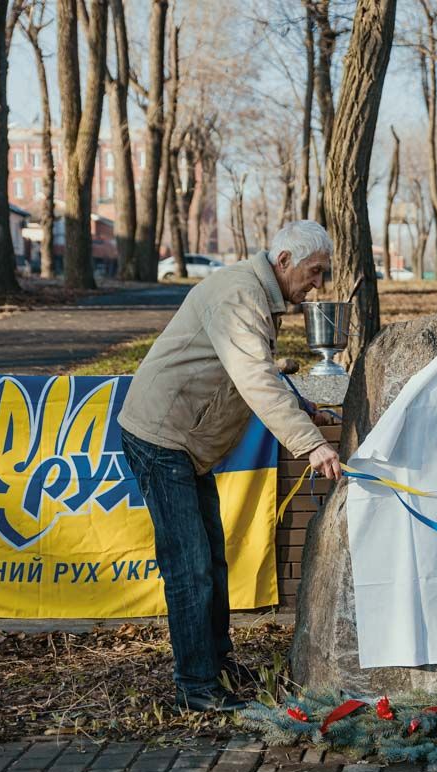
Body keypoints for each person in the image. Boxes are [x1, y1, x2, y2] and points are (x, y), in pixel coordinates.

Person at [118, 220, 343, 713]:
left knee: (211, 563)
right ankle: (196, 686)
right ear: (284, 261)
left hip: (182, 440)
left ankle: (216, 664)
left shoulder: (257, 293)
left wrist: (305, 407)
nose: (319, 283)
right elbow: (254, 377)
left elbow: (258, 369)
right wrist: (312, 445)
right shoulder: (241, 295)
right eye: (314, 271)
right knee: (190, 567)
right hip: (162, 437)